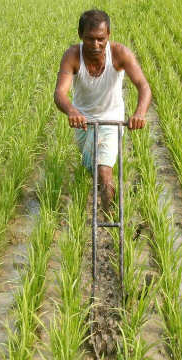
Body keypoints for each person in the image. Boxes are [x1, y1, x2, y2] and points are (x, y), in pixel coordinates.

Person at [53, 9, 151, 214]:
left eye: (101, 39)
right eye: (90, 39)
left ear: (108, 35)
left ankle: (108, 217)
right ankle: (102, 196)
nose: (96, 45)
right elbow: (60, 93)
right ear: (80, 35)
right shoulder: (72, 55)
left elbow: (143, 85)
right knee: (94, 169)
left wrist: (140, 112)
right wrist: (71, 111)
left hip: (111, 120)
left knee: (105, 172)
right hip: (83, 122)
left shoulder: (119, 54)